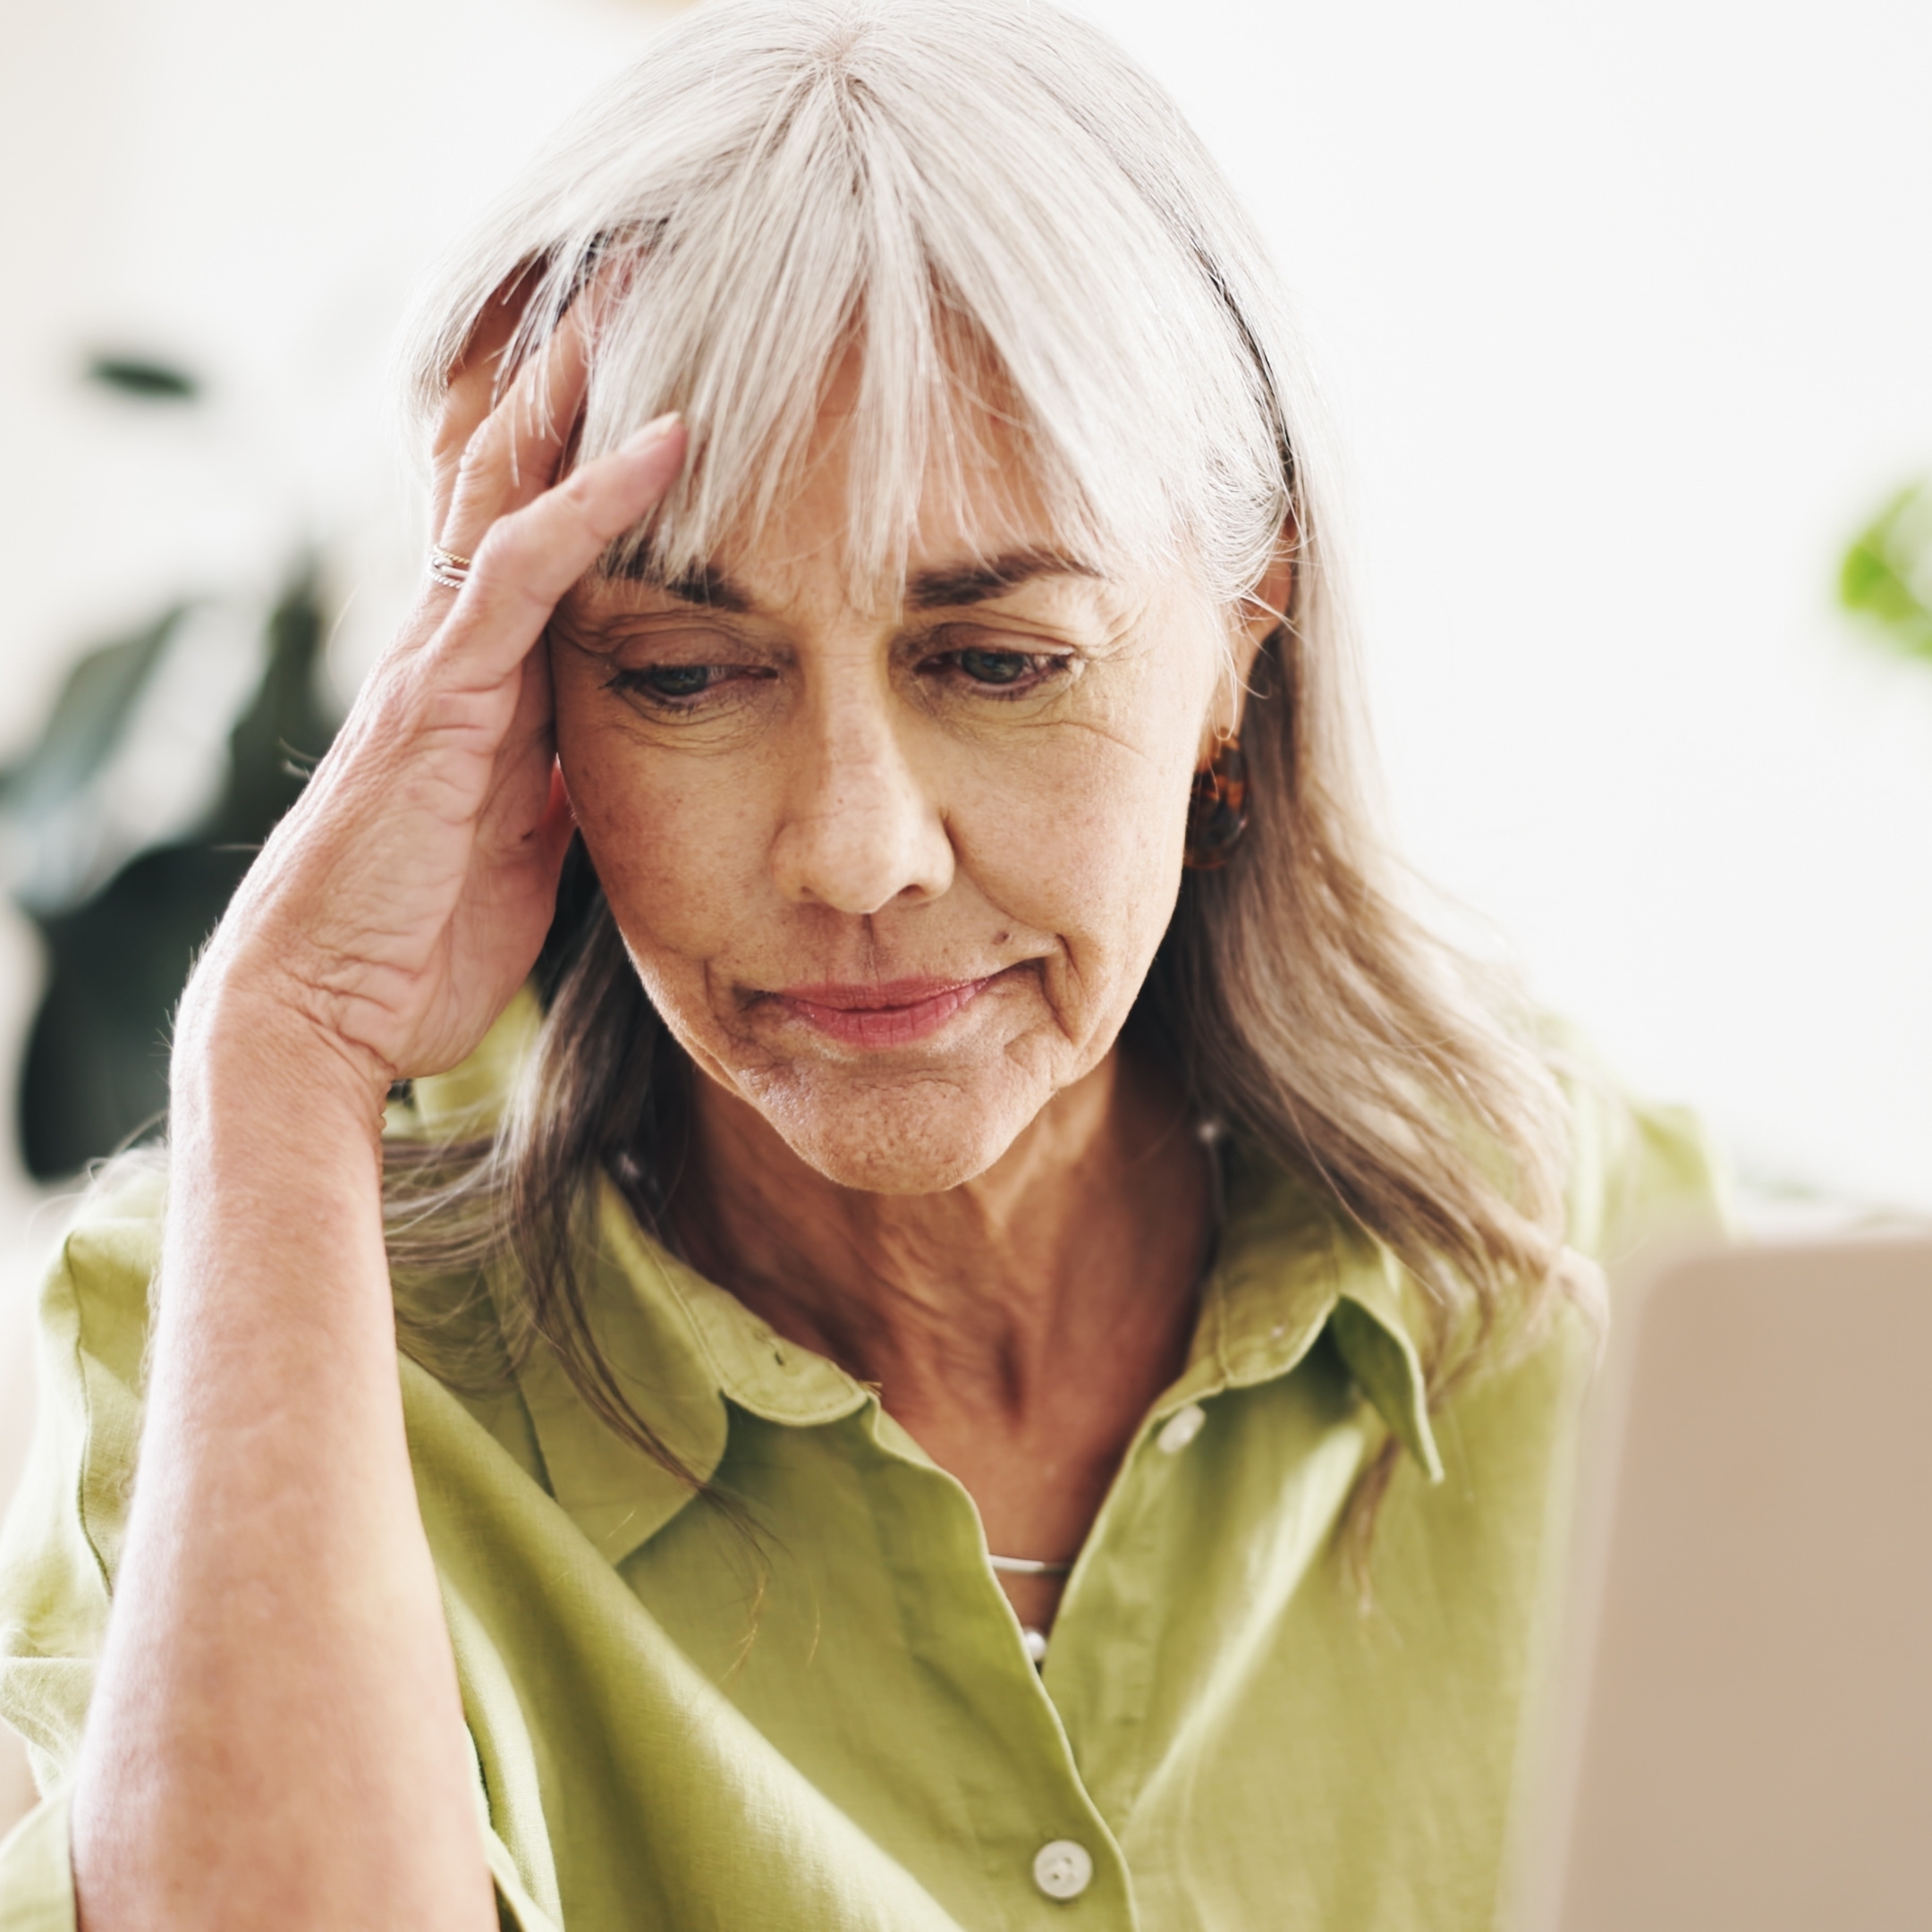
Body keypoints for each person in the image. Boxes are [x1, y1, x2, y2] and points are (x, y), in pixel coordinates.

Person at [0, 3, 1718, 1927]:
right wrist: (289, 1033)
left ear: (1245, 631)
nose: (856, 849)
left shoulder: (1627, 1265)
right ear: (527, 697)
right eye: (683, 675)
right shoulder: (262, 1350)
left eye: (997, 661)